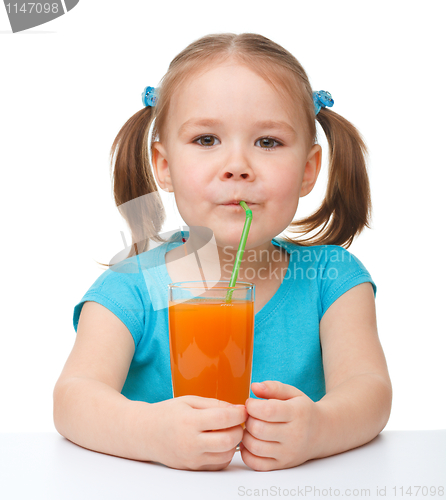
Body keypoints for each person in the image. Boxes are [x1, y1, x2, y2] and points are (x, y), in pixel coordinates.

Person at [53, 33, 392, 472]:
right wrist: (150, 432)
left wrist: (320, 428)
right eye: (207, 139)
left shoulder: (331, 279)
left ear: (308, 170)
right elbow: (73, 397)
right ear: (165, 166)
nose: (237, 165)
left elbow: (370, 390)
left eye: (268, 142)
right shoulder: (131, 286)